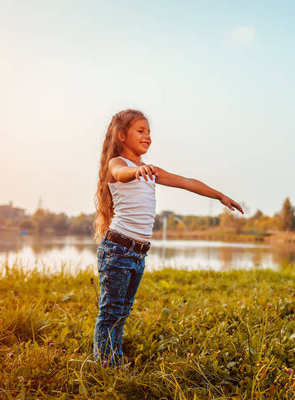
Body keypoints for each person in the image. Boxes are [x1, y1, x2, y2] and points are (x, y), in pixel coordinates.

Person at [93, 109, 243, 366]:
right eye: (140, 131)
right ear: (121, 134)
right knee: (111, 312)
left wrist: (219, 195)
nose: (147, 136)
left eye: (149, 132)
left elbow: (186, 181)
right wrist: (137, 172)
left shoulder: (149, 169)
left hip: (138, 254)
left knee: (123, 312)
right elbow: (119, 174)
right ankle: (106, 365)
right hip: (118, 249)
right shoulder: (118, 163)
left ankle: (113, 358)